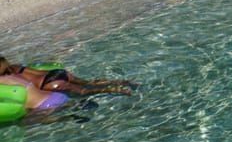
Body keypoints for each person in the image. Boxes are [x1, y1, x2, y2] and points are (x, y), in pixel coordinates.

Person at [0, 57, 134, 96]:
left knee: (85, 91)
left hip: (49, 84)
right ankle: (123, 82)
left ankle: (114, 89)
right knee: (89, 82)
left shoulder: (7, 77)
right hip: (57, 73)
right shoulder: (16, 66)